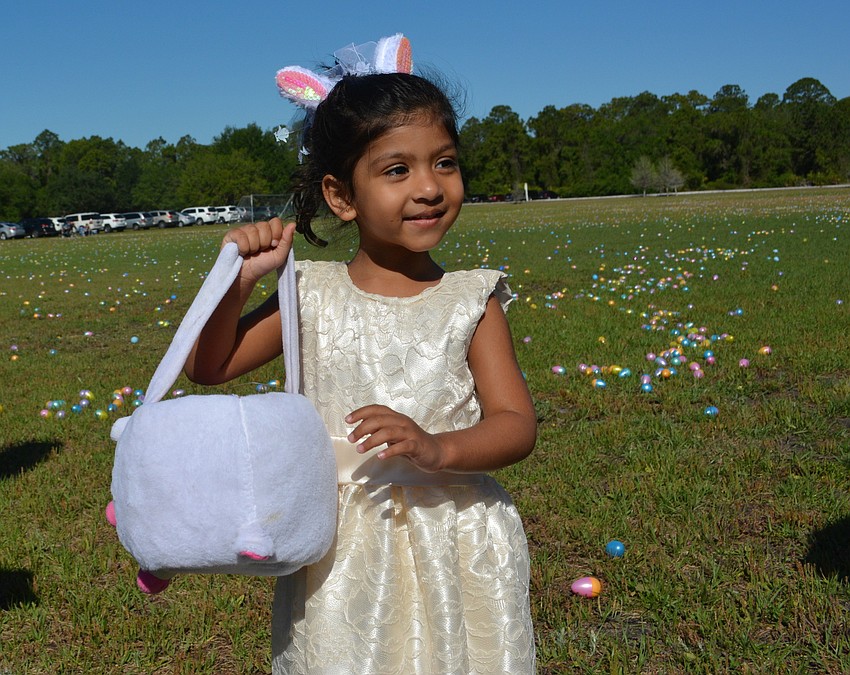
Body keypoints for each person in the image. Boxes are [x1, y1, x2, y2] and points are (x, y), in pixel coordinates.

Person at [185, 34, 537, 674]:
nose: (429, 187)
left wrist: (440, 448)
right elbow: (210, 366)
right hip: (344, 544)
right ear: (342, 196)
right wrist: (236, 286)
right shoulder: (310, 295)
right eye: (397, 169)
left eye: (445, 162)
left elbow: (515, 424)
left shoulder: (470, 298)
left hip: (456, 534)